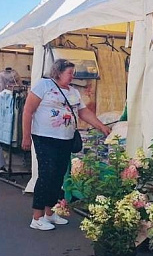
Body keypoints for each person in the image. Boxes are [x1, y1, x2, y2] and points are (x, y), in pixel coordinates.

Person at [22, 59, 111, 231]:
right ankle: (37, 216)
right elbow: (28, 110)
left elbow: (83, 112)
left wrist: (100, 126)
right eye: (69, 73)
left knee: (58, 176)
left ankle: (50, 212)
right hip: (45, 137)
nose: (73, 76)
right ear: (58, 72)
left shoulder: (74, 92)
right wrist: (26, 136)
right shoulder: (44, 85)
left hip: (66, 138)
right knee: (46, 175)